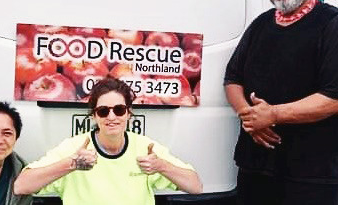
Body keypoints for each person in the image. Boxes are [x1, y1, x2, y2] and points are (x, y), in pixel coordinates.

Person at [224, 0, 338, 205]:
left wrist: (273, 114)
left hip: (312, 172)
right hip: (256, 164)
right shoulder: (260, 25)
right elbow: (232, 79)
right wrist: (251, 117)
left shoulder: (335, 25)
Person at [14, 77, 202, 204]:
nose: (112, 117)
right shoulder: (75, 147)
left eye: (119, 110)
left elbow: (195, 186)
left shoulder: (145, 148)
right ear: (94, 116)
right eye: (103, 111)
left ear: (129, 113)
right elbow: (22, 185)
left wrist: (162, 166)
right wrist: (71, 164)